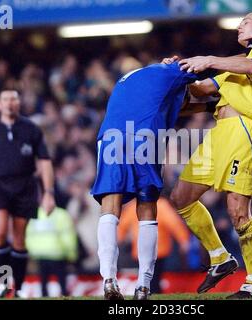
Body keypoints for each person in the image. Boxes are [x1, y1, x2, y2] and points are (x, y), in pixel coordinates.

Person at [166, 12, 252, 298]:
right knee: (181, 198)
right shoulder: (232, 69)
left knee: (237, 211)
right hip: (220, 132)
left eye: (245, 21)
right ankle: (220, 257)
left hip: (245, 130)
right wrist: (174, 74)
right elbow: (198, 91)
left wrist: (207, 60)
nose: (239, 25)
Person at [90, 61, 217, 300]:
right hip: (144, 138)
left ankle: (108, 279)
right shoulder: (171, 71)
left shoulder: (129, 79)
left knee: (110, 208)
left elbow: (175, 106)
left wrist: (207, 108)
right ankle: (144, 285)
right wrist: (224, 98)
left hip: (110, 137)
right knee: (147, 209)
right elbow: (205, 70)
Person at [0, 90, 55, 298]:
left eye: (13, 99)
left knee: (19, 239)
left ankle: (19, 288)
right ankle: (3, 283)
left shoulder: (31, 129)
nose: (9, 103)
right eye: (5, 99)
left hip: (25, 188)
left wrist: (48, 192)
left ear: (19, 103)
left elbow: (45, 161)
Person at [117, 197, 190, 293]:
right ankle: (153, 293)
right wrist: (183, 240)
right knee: (154, 279)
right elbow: (174, 223)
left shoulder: (135, 206)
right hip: (158, 250)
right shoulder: (160, 205)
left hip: (143, 250)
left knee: (147, 278)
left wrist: (120, 238)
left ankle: (149, 293)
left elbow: (122, 225)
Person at [26, 207, 78, 297]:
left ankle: (57, 294)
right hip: (52, 254)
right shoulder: (62, 215)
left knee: (48, 280)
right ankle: (62, 295)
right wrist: (71, 254)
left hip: (54, 254)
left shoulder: (35, 213)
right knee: (52, 280)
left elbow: (29, 234)